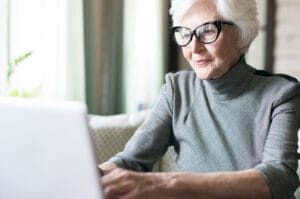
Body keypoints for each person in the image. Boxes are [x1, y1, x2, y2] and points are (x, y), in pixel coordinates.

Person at [100, 0, 300, 198]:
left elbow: (279, 176)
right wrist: (86, 175)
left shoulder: (281, 93)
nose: (193, 48)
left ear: (240, 33)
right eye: (185, 34)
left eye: (207, 31)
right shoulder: (177, 89)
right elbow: (130, 161)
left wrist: (169, 183)